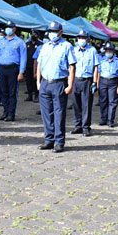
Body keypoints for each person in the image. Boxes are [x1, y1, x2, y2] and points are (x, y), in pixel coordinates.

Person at [36, 21, 75, 153]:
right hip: (45, 83)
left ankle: (59, 142)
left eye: (55, 31)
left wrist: (70, 85)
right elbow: (39, 63)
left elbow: (72, 66)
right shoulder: (45, 46)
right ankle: (49, 140)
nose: (52, 33)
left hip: (59, 83)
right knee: (46, 114)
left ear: (60, 32)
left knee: (59, 114)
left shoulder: (67, 46)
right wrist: (38, 82)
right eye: (51, 31)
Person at [0, 21, 27, 122]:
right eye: (7, 27)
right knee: (3, 91)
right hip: (2, 68)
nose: (8, 29)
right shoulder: (1, 41)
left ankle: (11, 114)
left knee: (12, 92)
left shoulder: (20, 42)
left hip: (13, 69)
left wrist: (21, 72)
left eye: (10, 27)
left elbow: (23, 58)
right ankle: (5, 112)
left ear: (14, 29)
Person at [72, 30, 99, 135]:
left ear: (87, 39)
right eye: (80, 38)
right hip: (76, 79)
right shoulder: (74, 50)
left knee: (86, 105)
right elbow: (71, 66)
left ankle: (86, 127)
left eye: (83, 38)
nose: (81, 40)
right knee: (76, 104)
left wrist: (95, 82)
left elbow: (96, 67)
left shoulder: (92, 50)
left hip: (87, 80)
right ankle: (78, 125)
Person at [98, 42, 118, 129]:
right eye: (107, 51)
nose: (108, 52)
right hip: (103, 81)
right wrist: (97, 84)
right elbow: (98, 73)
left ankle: (110, 120)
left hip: (113, 82)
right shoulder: (101, 61)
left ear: (113, 51)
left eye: (110, 51)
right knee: (103, 101)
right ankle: (103, 119)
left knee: (112, 102)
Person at [25, 30, 41, 102]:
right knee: (28, 81)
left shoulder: (41, 44)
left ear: (38, 35)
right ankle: (30, 95)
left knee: (35, 81)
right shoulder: (27, 44)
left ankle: (36, 95)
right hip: (28, 65)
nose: (33, 35)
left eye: (35, 34)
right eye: (32, 34)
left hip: (36, 66)